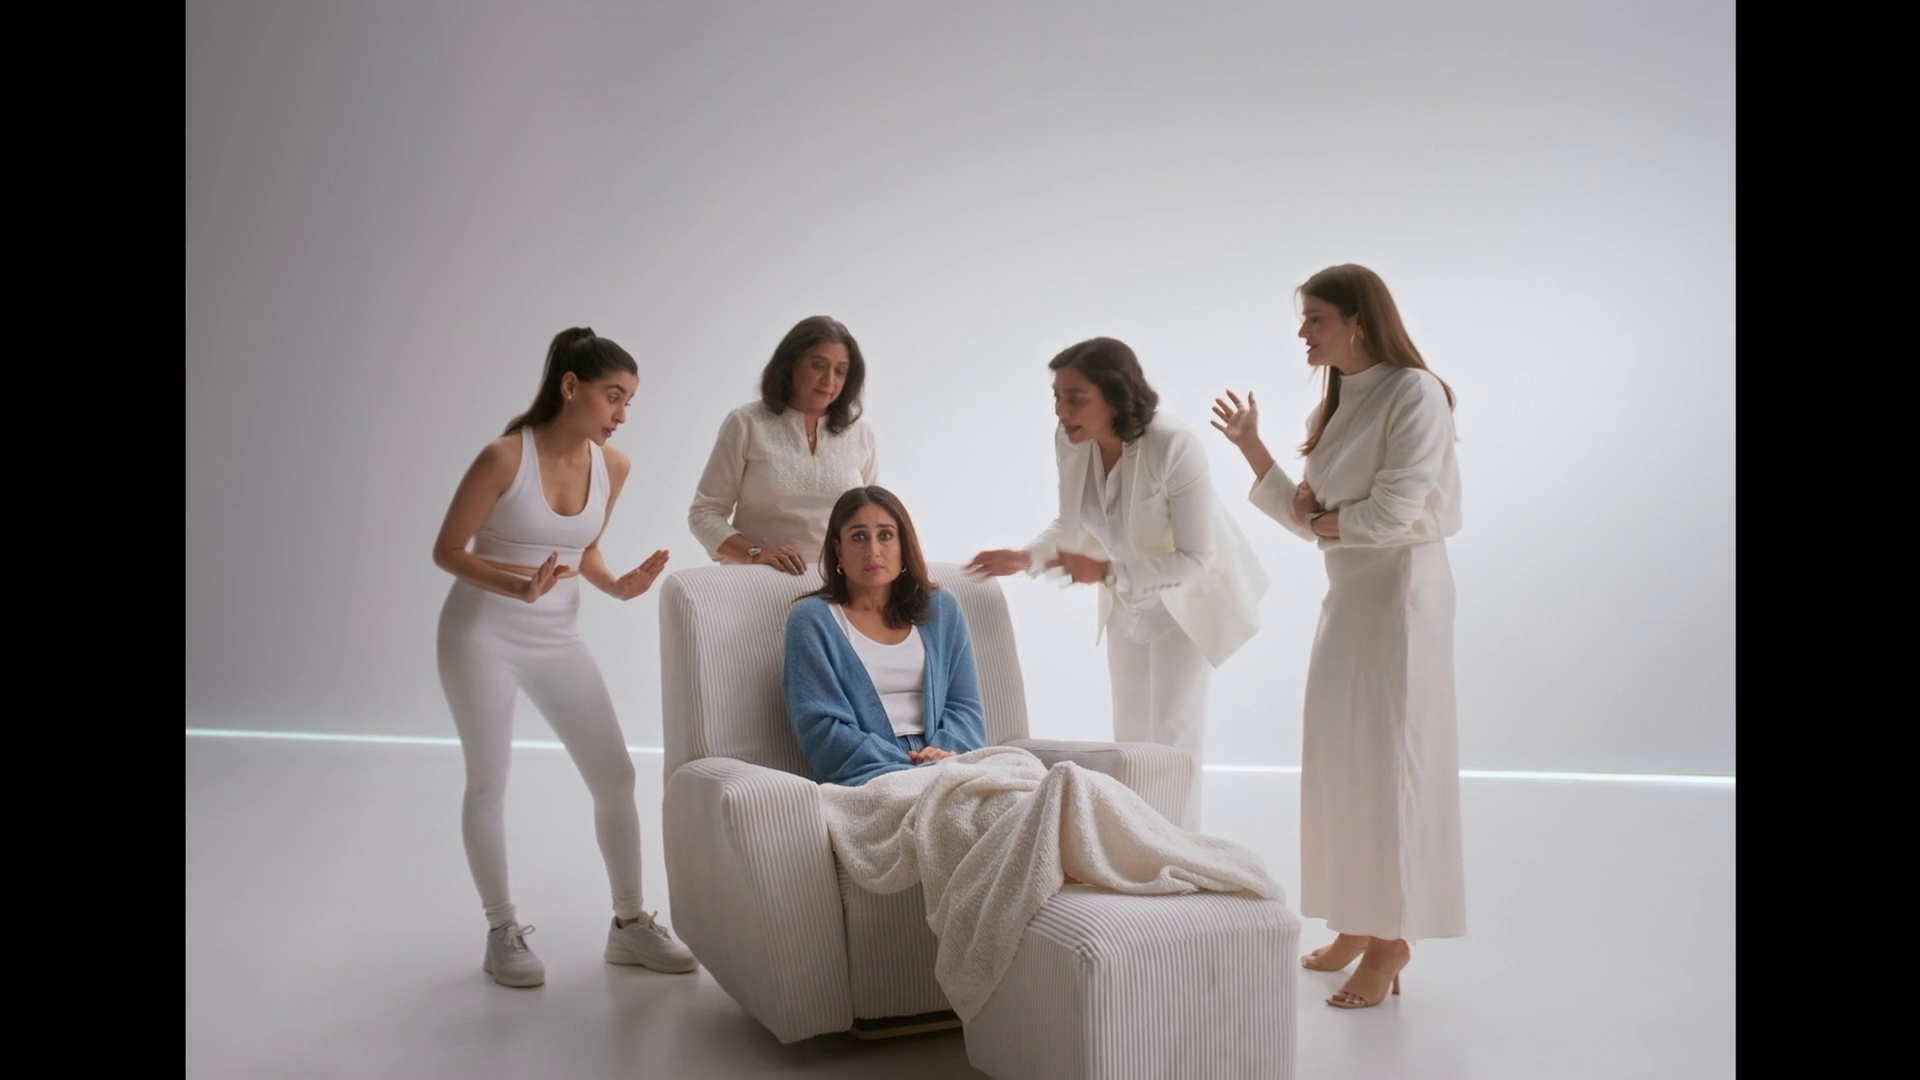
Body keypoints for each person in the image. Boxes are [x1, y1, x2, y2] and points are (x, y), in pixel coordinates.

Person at [1210, 263, 1465, 1009]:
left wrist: (1323, 523)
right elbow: (1308, 517)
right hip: (1351, 597)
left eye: (1315, 316)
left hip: (1402, 600)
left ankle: (1392, 942)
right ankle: (1358, 918)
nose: (1302, 331)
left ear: (1359, 320)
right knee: (1341, 760)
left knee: (1391, 766)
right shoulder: (1342, 398)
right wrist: (1253, 447)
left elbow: (1388, 516)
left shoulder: (1414, 392)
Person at [430, 326, 696, 988]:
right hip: (482, 634)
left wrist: (618, 585)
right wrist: (516, 586)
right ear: (570, 386)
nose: (622, 414)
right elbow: (448, 550)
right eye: (613, 396)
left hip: (558, 637)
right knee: (489, 781)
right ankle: (501, 930)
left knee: (615, 776)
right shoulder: (503, 457)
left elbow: (586, 548)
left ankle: (629, 924)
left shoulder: (614, 467)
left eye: (629, 401)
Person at [965, 338, 1268, 830]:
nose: (1061, 410)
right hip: (1125, 603)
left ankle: (1180, 853)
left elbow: (1197, 557)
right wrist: (1025, 557)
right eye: (1057, 396)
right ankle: (1134, 847)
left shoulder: (1173, 444)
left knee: (1172, 739)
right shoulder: (1071, 440)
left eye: (1075, 397)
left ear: (1115, 395)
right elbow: (1073, 524)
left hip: (1186, 602)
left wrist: (1107, 572)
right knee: (1129, 740)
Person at [783, 486, 987, 787]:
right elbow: (820, 730)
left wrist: (944, 754)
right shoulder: (812, 621)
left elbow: (965, 707)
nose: (873, 551)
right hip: (867, 775)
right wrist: (907, 768)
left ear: (903, 544)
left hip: (948, 763)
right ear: (839, 549)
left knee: (1025, 769)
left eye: (886, 535)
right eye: (858, 537)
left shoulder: (941, 609)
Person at [689, 316, 880, 576]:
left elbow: (871, 518)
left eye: (840, 371)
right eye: (818, 366)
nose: (829, 380)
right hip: (759, 581)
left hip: (839, 585)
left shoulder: (861, 432)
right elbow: (704, 514)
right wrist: (756, 554)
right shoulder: (746, 423)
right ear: (790, 365)